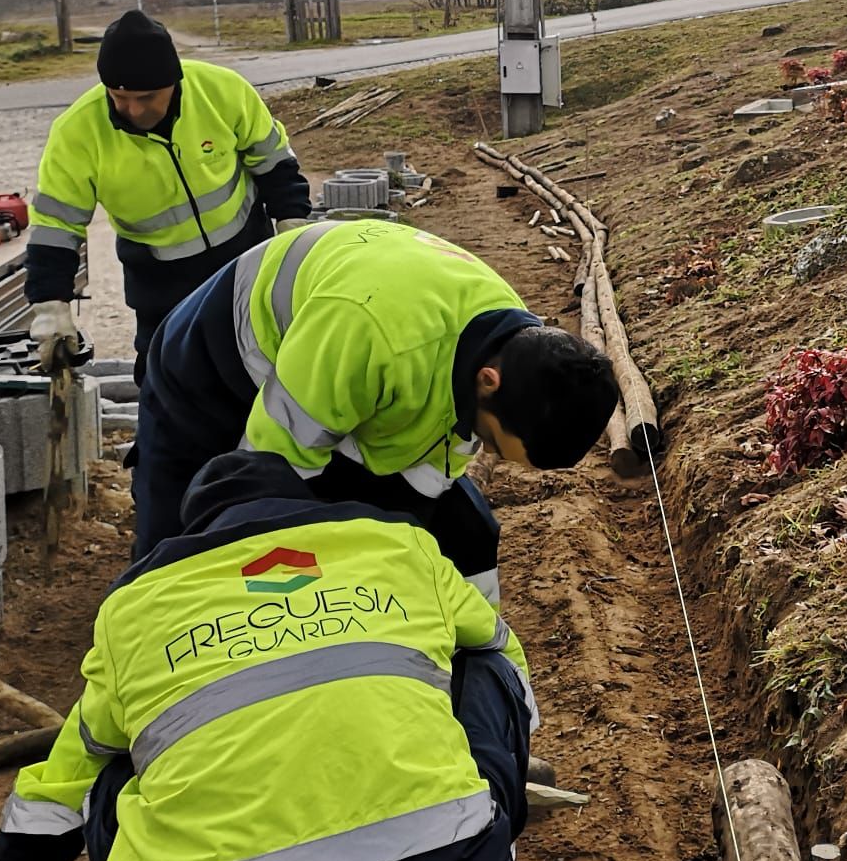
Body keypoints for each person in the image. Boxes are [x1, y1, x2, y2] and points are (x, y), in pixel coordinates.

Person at [0, 450, 544, 861]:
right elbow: (499, 647)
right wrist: (495, 758)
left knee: (112, 764)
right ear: (300, 505)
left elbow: (73, 765)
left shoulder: (135, 607)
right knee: (483, 663)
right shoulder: (397, 546)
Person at [131, 217, 620, 603]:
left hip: (324, 362)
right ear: (488, 382)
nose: (481, 451)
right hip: (214, 357)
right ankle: (147, 637)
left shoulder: (508, 345)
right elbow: (262, 472)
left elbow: (428, 476)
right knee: (185, 531)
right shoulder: (371, 335)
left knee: (445, 518)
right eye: (490, 441)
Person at [26, 10, 314, 379]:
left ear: (174, 83)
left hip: (245, 255)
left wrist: (292, 221)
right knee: (164, 375)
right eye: (119, 97)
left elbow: (273, 162)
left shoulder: (222, 91)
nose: (133, 109)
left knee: (260, 361)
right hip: (157, 276)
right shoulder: (76, 133)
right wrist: (51, 306)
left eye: (147, 97)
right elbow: (55, 227)